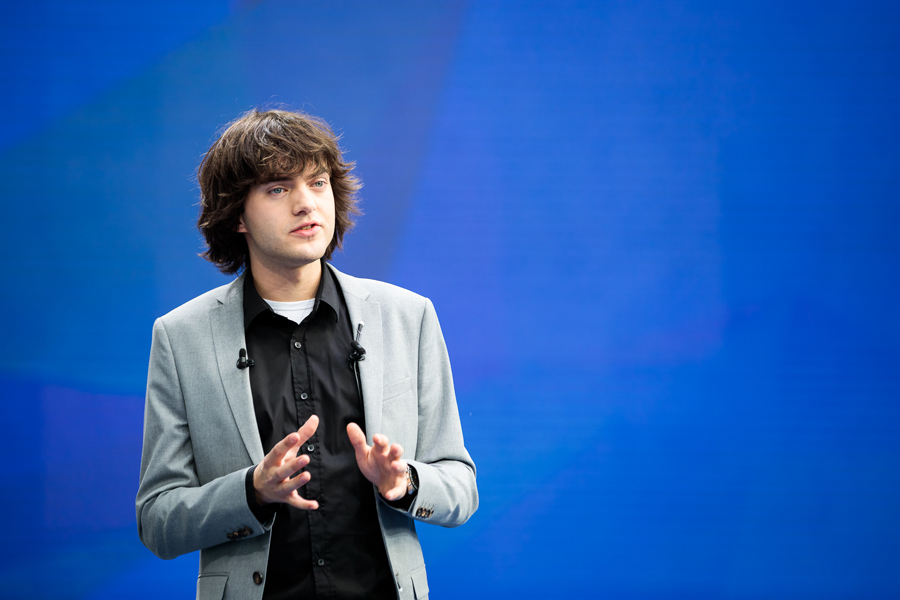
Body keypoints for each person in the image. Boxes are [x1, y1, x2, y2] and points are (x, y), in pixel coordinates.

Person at [136, 109, 478, 600]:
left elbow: (461, 490)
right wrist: (251, 491)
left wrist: (404, 481)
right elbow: (158, 519)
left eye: (317, 183)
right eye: (278, 189)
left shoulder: (408, 317)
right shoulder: (181, 336)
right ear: (236, 215)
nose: (306, 204)